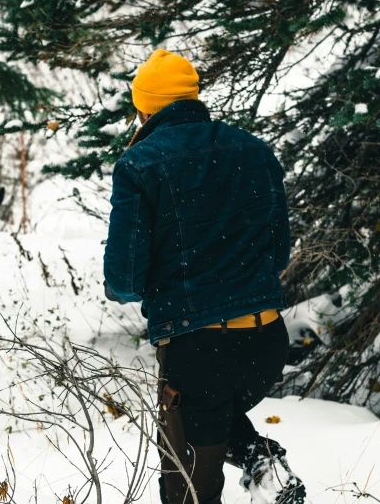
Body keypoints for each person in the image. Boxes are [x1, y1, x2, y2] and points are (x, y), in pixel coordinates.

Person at [103, 49, 305, 504]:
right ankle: (264, 466)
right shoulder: (254, 150)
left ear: (144, 107)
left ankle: (260, 464)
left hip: (198, 349)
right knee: (213, 413)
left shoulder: (139, 165)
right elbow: (277, 255)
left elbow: (126, 278)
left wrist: (121, 286)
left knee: (189, 488)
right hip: (267, 342)